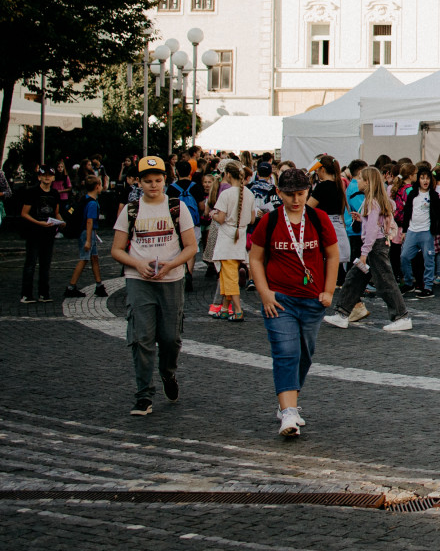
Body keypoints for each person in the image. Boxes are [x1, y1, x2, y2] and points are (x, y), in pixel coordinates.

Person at [246, 167, 340, 437]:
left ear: (308, 191)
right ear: (279, 193)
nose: (296, 200)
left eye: (300, 193)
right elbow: (255, 258)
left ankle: (288, 402)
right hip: (279, 299)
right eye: (289, 195)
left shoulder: (318, 218)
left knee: (304, 354)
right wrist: (264, 293)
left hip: (312, 300)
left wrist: (328, 291)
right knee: (286, 352)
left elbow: (332, 256)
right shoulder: (271, 221)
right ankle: (288, 412)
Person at [111, 157, 197, 416]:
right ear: (139, 182)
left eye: (158, 180)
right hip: (140, 282)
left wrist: (171, 265)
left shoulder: (176, 207)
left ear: (165, 180)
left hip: (171, 281)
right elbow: (116, 249)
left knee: (170, 339)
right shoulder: (131, 210)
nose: (153, 185)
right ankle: (143, 395)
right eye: (147, 181)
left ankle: (168, 373)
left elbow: (191, 246)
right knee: (141, 338)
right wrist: (137, 264)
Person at [326, 167, 412, 331]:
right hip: (376, 246)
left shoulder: (372, 202)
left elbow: (372, 230)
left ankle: (401, 316)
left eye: (360, 179)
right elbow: (373, 224)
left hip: (374, 248)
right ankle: (342, 314)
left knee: (384, 282)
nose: (356, 181)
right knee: (355, 279)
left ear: (367, 182)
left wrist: (365, 253)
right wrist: (362, 219)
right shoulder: (375, 201)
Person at [207, 161, 255, 321]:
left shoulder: (226, 194)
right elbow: (253, 218)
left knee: (229, 277)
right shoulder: (249, 193)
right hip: (240, 237)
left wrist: (212, 214)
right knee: (227, 276)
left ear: (227, 174)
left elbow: (220, 218)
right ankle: (226, 308)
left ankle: (238, 309)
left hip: (226, 239)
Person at [18, 166, 64, 304]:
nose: (47, 178)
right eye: (44, 175)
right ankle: (27, 294)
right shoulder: (32, 192)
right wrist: (38, 223)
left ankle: (44, 293)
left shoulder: (55, 194)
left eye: (50, 175)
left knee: (45, 264)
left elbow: (56, 212)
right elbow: (24, 213)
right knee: (31, 263)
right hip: (34, 232)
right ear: (39, 177)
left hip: (48, 233)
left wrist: (61, 221)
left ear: (53, 178)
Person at [396, 165, 440, 297]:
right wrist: (405, 230)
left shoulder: (433, 195)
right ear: (418, 179)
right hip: (412, 230)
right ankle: (409, 282)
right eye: (422, 178)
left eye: (427, 178)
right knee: (404, 256)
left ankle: (428, 286)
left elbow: (439, 213)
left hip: (426, 231)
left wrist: (436, 230)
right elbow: (407, 212)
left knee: (428, 259)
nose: (425, 181)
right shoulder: (412, 194)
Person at [63, 173, 108, 299]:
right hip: (87, 233)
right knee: (84, 258)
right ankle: (71, 287)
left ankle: (99, 285)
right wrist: (89, 240)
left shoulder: (85, 198)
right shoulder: (93, 203)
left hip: (88, 232)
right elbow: (90, 221)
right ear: (97, 186)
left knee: (94, 258)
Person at [309, 156, 349, 271]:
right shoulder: (339, 186)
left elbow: (308, 207)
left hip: (324, 226)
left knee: (323, 259)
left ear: (322, 169)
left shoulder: (322, 187)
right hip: (338, 226)